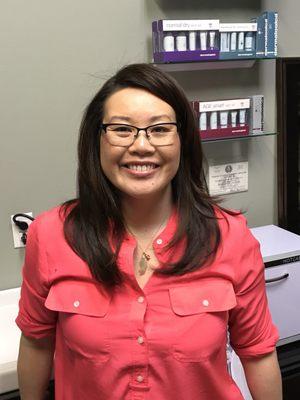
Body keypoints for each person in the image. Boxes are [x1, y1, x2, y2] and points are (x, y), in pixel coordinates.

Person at [16, 63, 282, 400]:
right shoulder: (52, 234)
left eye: (159, 129)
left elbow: (257, 353)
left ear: (182, 140)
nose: (142, 146)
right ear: (96, 139)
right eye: (122, 129)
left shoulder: (230, 236)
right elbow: (36, 342)